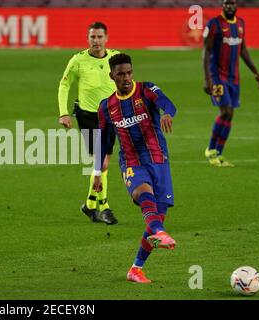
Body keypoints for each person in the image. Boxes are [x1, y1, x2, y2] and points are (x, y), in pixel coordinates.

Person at [93, 53, 176, 283]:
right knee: (143, 193)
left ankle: (135, 270)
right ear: (112, 76)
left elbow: (167, 103)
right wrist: (98, 171)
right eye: (121, 74)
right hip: (131, 161)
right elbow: (103, 140)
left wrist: (168, 113)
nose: (126, 77)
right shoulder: (106, 106)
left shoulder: (146, 90)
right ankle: (159, 232)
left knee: (158, 215)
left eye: (129, 72)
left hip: (158, 160)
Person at [58, 21, 119, 225]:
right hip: (88, 116)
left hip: (111, 116)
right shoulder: (78, 60)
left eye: (99, 37)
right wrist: (63, 113)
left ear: (106, 38)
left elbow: (126, 85)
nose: (96, 40)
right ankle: (105, 207)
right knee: (100, 162)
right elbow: (64, 85)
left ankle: (89, 205)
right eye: (92, 37)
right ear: (88, 38)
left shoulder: (115, 58)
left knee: (104, 162)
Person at [203, 0, 259, 167]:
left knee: (230, 114)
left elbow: (243, 49)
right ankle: (212, 150)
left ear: (236, 6)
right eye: (226, 3)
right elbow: (206, 52)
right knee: (225, 112)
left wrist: (255, 72)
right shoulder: (214, 24)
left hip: (234, 78)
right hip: (217, 77)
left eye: (232, 3)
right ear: (222, 6)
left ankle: (218, 153)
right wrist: (207, 79)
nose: (229, 6)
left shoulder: (241, 24)